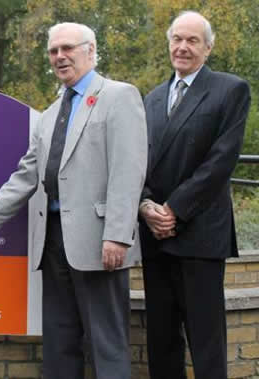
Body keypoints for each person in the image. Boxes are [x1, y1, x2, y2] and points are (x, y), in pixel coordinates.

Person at [0, 22, 147, 378]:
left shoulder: (120, 96)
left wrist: (118, 234)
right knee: (59, 342)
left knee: (107, 342)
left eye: (67, 48)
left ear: (90, 50)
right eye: (53, 51)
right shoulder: (50, 112)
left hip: (100, 240)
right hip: (52, 240)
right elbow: (26, 175)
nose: (59, 57)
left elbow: (128, 170)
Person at [139, 11, 251, 379]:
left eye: (192, 41)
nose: (183, 48)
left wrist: (175, 210)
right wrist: (148, 206)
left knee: (205, 339)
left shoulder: (230, 89)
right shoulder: (152, 98)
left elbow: (222, 160)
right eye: (177, 39)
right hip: (155, 234)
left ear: (208, 48)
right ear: (168, 43)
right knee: (161, 337)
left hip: (200, 233)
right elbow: (137, 159)